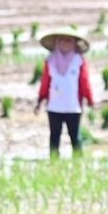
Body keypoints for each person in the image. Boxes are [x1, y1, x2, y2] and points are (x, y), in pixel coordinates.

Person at [36, 29, 94, 157]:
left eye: (69, 40)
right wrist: (40, 99)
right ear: (57, 42)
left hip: (73, 106)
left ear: (74, 43)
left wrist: (89, 99)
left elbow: (84, 81)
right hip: (54, 106)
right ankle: (54, 161)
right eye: (62, 39)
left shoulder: (78, 60)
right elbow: (45, 82)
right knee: (54, 135)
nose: (65, 43)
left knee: (75, 135)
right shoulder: (50, 60)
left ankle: (79, 162)